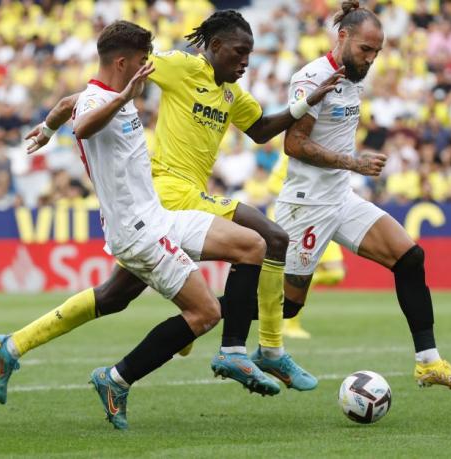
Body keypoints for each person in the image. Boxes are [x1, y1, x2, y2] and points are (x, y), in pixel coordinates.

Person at [24, 10, 343, 392]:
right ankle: (263, 350)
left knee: (114, 296)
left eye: (250, 56)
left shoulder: (232, 95)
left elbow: (260, 131)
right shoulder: (177, 66)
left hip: (190, 194)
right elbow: (118, 80)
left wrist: (305, 104)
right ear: (215, 46)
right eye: (239, 53)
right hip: (166, 192)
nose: (245, 63)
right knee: (270, 239)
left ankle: (16, 345)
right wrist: (58, 121)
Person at [0, 21, 283, 431]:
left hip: (160, 216)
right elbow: (84, 124)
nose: (149, 67)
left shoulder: (103, 94)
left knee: (252, 245)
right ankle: (117, 379)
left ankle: (233, 351)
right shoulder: (101, 99)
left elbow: (65, 109)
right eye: (144, 61)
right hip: (137, 233)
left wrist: (48, 127)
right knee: (204, 313)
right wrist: (120, 99)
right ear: (123, 63)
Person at [277, 1, 451, 390]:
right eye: (365, 50)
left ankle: (428, 363)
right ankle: (200, 313)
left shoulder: (354, 76)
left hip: (340, 197)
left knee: (409, 258)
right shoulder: (311, 78)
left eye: (376, 52)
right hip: (306, 204)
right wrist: (352, 163)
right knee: (287, 305)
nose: (370, 59)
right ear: (342, 37)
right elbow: (294, 143)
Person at [267, 152, 346, 339]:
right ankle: (290, 323)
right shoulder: (293, 153)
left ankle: (286, 296)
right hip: (297, 217)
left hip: (323, 216)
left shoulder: (332, 151)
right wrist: (302, 197)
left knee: (336, 273)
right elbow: (272, 185)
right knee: (298, 269)